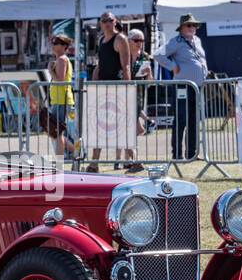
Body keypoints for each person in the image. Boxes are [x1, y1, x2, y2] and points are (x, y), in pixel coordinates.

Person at [85, 12, 140, 173]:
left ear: (115, 22)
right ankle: (95, 164)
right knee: (102, 126)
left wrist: (127, 89)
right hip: (103, 89)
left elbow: (126, 66)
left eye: (110, 20)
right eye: (104, 20)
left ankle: (97, 164)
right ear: (100, 24)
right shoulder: (102, 40)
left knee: (115, 126)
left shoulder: (120, 39)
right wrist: (93, 86)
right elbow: (99, 65)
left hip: (116, 89)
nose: (107, 23)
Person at [153, 13, 209, 161]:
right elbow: (158, 55)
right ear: (182, 28)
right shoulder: (176, 41)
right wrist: (173, 66)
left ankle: (192, 153)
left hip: (197, 87)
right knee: (181, 119)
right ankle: (177, 154)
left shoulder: (197, 40)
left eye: (194, 25)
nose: (192, 28)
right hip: (182, 87)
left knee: (194, 120)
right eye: (189, 25)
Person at [45, 33, 75, 157]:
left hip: (61, 99)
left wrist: (50, 70)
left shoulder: (62, 59)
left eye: (56, 43)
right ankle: (74, 152)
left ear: (64, 46)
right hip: (59, 100)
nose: (52, 45)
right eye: (52, 43)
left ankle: (64, 157)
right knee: (57, 132)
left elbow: (60, 80)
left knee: (56, 132)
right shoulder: (60, 59)